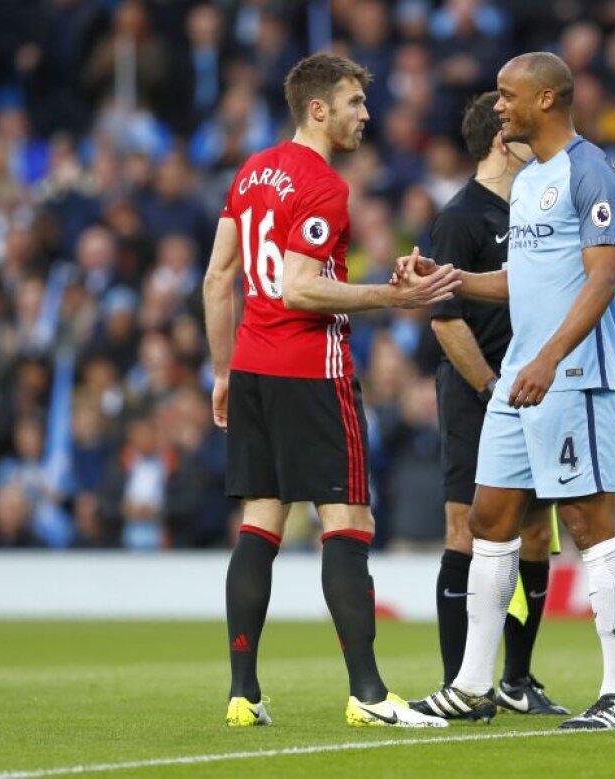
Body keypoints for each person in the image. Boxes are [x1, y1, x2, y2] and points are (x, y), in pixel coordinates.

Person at [202, 52, 460, 729]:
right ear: (318, 109)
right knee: (346, 520)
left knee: (262, 520)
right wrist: (390, 296)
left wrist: (223, 370)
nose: (365, 114)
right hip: (310, 370)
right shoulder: (322, 185)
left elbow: (216, 278)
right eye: (353, 103)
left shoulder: (251, 171)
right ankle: (369, 693)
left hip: (254, 367)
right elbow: (299, 285)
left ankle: (242, 691)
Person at [404, 52, 615, 730]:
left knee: (592, 527)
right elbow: (518, 280)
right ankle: (474, 683)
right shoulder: (532, 178)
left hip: (570, 377)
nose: (498, 107)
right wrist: (443, 276)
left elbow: (601, 281)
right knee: (488, 520)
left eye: (508, 96)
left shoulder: (591, 173)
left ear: (546, 98)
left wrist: (548, 357)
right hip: (521, 378)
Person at [423, 91, 567, 716]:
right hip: (477, 391)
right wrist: (489, 389)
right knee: (468, 528)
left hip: (533, 391)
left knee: (535, 534)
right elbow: (445, 319)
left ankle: (516, 678)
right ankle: (463, 682)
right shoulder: (462, 217)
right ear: (501, 140)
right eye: (524, 133)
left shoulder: (538, 211)